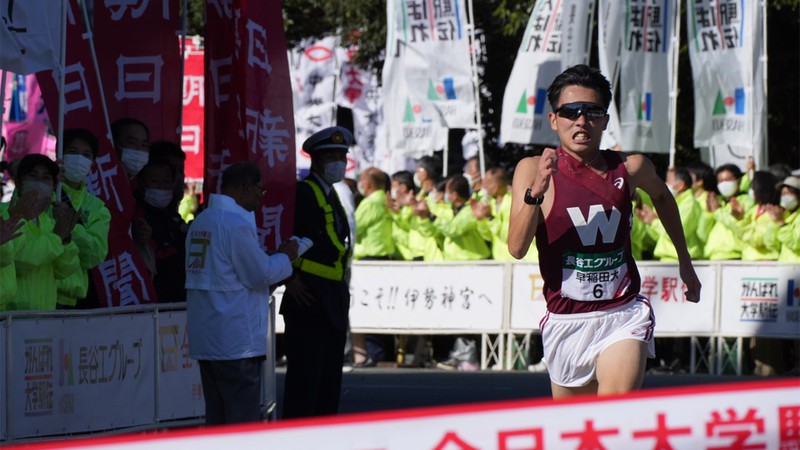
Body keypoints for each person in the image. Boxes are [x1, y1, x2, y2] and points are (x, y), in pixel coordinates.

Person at [507, 64, 701, 398]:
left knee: (614, 412)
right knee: (577, 434)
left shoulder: (631, 167)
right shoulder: (531, 170)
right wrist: (537, 189)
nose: (581, 121)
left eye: (592, 111)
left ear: (605, 120)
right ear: (554, 120)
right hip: (566, 320)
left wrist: (685, 260)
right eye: (570, 112)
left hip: (622, 314)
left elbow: (663, 198)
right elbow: (516, 247)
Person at [185, 161, 298, 425]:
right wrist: (286, 256)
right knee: (241, 420)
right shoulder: (235, 225)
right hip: (236, 340)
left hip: (208, 337)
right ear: (246, 187)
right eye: (260, 190)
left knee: (217, 415)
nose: (261, 196)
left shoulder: (201, 220)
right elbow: (260, 275)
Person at [281, 126, 353, 418]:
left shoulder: (332, 194)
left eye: (343, 156)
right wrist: (290, 278)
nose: (340, 162)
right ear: (317, 160)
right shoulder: (303, 192)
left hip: (332, 295)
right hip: (308, 295)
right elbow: (285, 237)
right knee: (305, 382)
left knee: (328, 382)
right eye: (333, 156)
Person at [0, 154, 81, 311]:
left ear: (53, 185)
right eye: (33, 176)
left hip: (45, 314)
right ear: (19, 182)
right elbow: (20, 260)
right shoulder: (4, 215)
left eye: (46, 178)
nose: (39, 183)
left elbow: (64, 270)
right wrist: (56, 238)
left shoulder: (50, 222)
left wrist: (65, 238)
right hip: (12, 314)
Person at [56, 128, 111, 309]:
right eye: (72, 152)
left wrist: (71, 227)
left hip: (71, 300)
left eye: (86, 155)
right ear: (59, 155)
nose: (79, 159)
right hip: (33, 292)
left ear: (92, 164)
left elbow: (94, 255)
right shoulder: (43, 193)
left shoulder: (97, 208)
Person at [134, 160, 187, 302]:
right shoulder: (137, 218)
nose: (161, 187)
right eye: (155, 181)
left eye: (167, 182)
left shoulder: (172, 218)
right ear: (142, 184)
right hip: (154, 303)